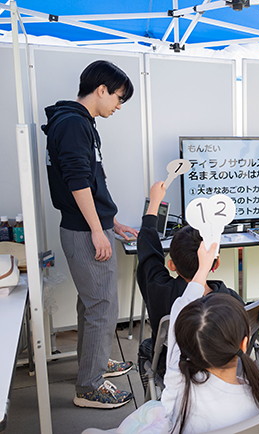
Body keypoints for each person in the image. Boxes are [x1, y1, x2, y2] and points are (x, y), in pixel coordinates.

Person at [42, 60, 139, 408]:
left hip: (90, 226)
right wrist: (99, 231)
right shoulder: (73, 124)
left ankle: (94, 364)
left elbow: (91, 181)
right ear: (101, 90)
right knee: (102, 306)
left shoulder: (78, 122)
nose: (118, 106)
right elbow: (78, 181)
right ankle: (90, 386)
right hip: (85, 230)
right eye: (118, 98)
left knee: (92, 304)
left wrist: (111, 223)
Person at [161, 242, 259, 434]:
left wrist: (202, 268)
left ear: (188, 346)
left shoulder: (179, 388)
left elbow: (179, 308)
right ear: (245, 343)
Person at [136, 181, 243, 393]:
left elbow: (148, 254)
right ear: (216, 263)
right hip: (221, 370)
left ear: (171, 265)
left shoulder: (160, 291)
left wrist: (154, 203)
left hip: (177, 370)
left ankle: (154, 406)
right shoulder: (231, 300)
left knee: (147, 348)